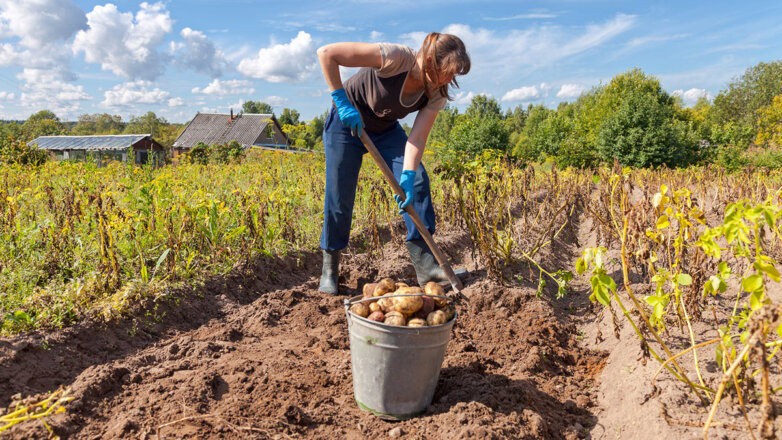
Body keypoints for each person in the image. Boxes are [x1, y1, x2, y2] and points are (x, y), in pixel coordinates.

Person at [316, 32, 470, 294]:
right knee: (339, 197)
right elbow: (327, 54)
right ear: (431, 60)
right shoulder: (396, 57)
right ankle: (330, 269)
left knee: (418, 181)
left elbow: (417, 139)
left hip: (385, 130)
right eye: (448, 72)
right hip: (347, 123)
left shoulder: (437, 93)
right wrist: (342, 103)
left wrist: (407, 176)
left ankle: (427, 268)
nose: (450, 80)